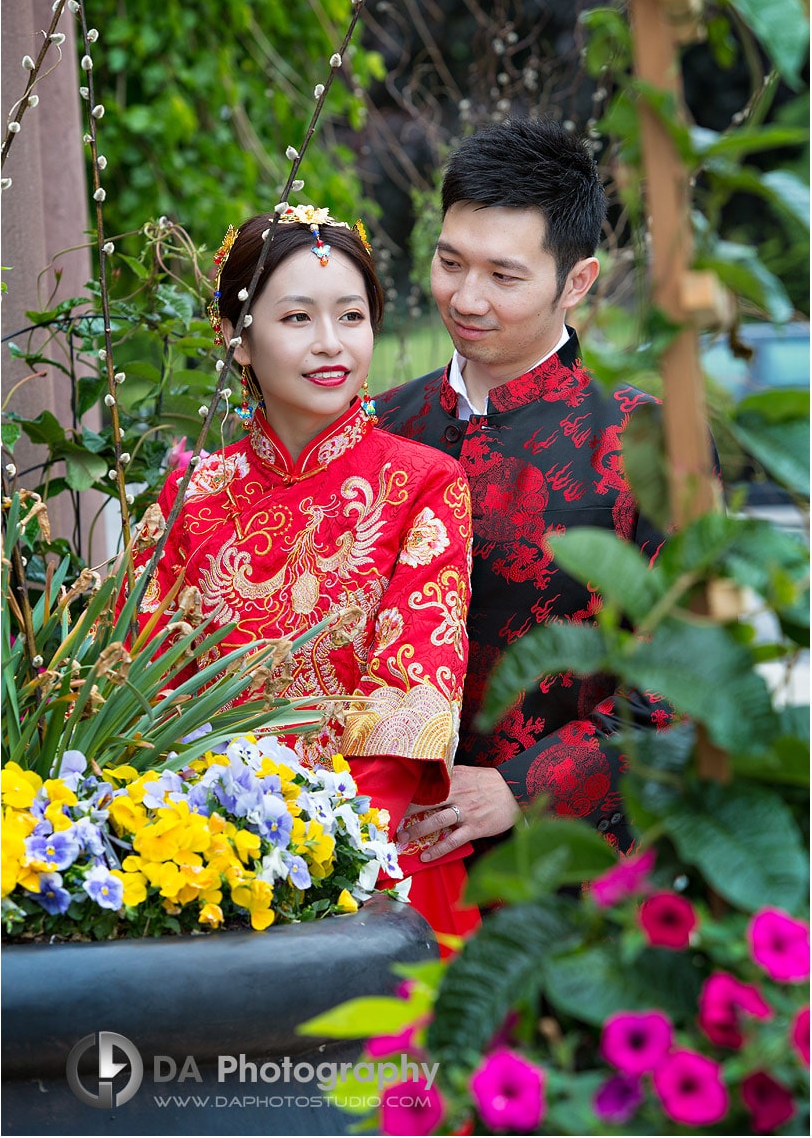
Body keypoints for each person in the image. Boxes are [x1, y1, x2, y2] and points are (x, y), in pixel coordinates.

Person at [131, 206, 480, 945]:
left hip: (375, 867)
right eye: (297, 318)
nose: (332, 345)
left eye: (351, 316)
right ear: (237, 339)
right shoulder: (190, 497)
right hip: (207, 865)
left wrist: (316, 853)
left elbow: (409, 693)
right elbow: (145, 689)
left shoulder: (424, 483)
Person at [375, 117, 675, 865]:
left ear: (576, 281)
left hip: (568, 862)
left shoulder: (644, 440)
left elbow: (679, 677)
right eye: (449, 262)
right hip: (384, 850)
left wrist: (518, 786)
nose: (465, 298)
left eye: (504, 276)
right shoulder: (383, 424)